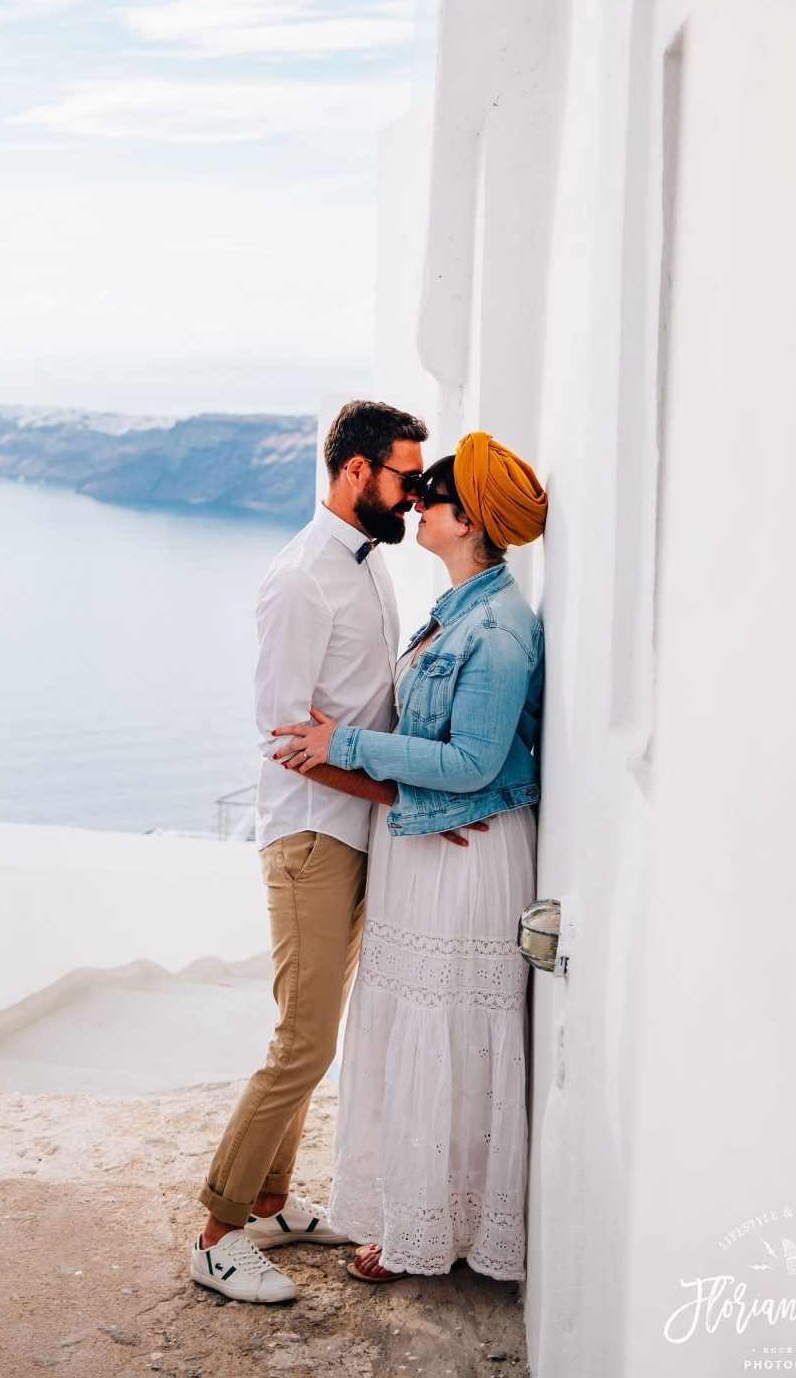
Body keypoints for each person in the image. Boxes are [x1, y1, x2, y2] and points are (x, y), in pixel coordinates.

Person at [271, 431, 547, 1286]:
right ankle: (413, 1218)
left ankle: (435, 1232)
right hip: (426, 844)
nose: (415, 502)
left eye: (432, 495)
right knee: (414, 1033)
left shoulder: (498, 627)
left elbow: (473, 762)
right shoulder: (459, 606)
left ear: (466, 521)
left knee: (450, 1036)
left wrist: (341, 743)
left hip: (462, 860)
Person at [189, 399, 428, 1304]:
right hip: (311, 838)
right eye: (405, 477)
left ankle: (275, 1206)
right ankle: (217, 1233)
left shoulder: (368, 567)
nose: (413, 497)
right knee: (302, 1043)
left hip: (357, 836)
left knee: (309, 1038)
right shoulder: (299, 578)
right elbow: (283, 735)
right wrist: (397, 793)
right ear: (357, 470)